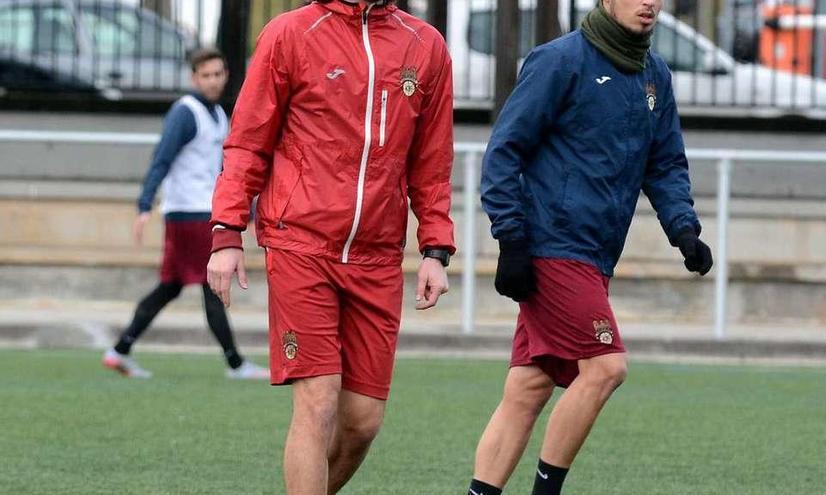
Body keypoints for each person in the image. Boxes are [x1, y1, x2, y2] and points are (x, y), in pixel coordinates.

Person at [206, 1, 455, 493]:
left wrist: (435, 247)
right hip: (299, 244)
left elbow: (432, 159)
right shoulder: (289, 33)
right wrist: (226, 231)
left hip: (379, 256)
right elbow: (248, 141)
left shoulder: (427, 46)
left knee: (362, 421)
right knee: (318, 402)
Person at [468, 1, 714, 494]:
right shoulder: (559, 60)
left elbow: (664, 163)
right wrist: (511, 237)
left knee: (529, 387)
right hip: (552, 246)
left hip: (597, 255)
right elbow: (504, 151)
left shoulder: (655, 75)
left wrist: (683, 228)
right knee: (605, 367)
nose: (649, 3)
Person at [102, 48, 269, 381]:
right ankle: (236, 364)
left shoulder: (219, 115)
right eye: (206, 75)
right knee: (211, 285)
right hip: (189, 213)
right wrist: (144, 204)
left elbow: (221, 171)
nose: (213, 81)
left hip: (200, 212)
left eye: (218, 74)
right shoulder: (185, 112)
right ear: (194, 78)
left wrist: (246, 209)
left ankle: (120, 349)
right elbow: (161, 158)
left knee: (172, 286)